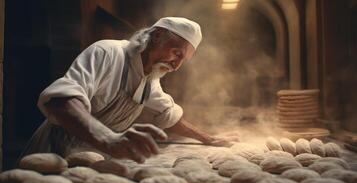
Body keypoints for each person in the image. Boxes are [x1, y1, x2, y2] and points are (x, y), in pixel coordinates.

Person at [22, 17, 232, 163]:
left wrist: (208, 138)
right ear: (157, 35)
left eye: (182, 60)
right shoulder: (107, 53)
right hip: (53, 153)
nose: (176, 65)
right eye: (176, 53)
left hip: (93, 158)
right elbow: (62, 100)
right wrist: (109, 139)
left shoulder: (149, 77)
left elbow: (168, 114)